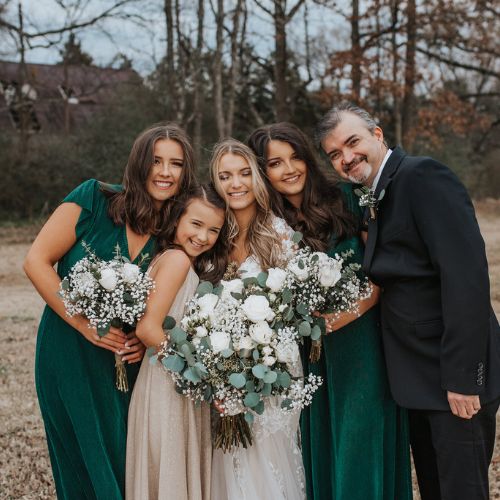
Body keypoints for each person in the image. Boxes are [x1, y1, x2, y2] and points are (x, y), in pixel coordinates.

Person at [317, 101, 500, 500]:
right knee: (435, 488)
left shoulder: (423, 177)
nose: (347, 158)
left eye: (353, 142)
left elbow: (465, 278)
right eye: (335, 154)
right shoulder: (372, 195)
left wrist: (463, 378)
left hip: (452, 377)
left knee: (462, 491)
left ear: (377, 135)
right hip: (416, 379)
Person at [23, 122, 197, 500]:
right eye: (156, 161)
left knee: (123, 464)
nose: (165, 172)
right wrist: (85, 325)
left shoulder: (175, 231)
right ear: (139, 163)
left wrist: (145, 341)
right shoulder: (94, 198)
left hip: (128, 364)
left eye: (176, 164)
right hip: (68, 349)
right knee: (80, 461)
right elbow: (37, 261)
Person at [248, 122, 412, 500]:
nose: (289, 169)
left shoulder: (349, 198)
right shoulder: (267, 224)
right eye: (275, 163)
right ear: (263, 171)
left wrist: (347, 313)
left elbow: (382, 271)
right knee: (319, 444)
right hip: (307, 355)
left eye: (295, 158)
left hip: (361, 344)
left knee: (358, 443)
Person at [209, 138, 306, 500]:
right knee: (229, 462)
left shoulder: (279, 232)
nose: (235, 184)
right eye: (225, 176)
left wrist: (258, 359)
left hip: (274, 372)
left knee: (271, 460)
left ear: (258, 178)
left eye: (244, 173)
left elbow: (296, 308)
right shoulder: (212, 235)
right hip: (223, 374)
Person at [126, 184, 229, 500]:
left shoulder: (171, 257)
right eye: (196, 224)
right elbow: (148, 329)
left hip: (169, 378)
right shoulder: (177, 260)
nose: (203, 236)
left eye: (214, 230)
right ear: (177, 219)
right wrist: (198, 377)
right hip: (167, 384)